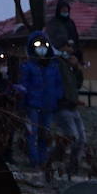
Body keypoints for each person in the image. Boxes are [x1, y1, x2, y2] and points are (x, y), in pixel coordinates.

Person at [19, 31, 62, 169]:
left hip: (48, 106)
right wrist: (23, 104)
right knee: (33, 135)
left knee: (45, 135)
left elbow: (58, 85)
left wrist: (57, 99)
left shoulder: (53, 66)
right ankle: (34, 162)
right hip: (33, 106)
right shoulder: (28, 66)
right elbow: (23, 85)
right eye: (38, 45)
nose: (41, 48)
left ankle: (43, 161)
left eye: (44, 45)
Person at [49, 41, 86, 177]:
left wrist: (76, 68)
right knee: (72, 137)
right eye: (68, 46)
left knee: (81, 139)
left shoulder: (68, 66)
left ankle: (72, 167)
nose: (71, 50)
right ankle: (54, 159)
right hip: (62, 106)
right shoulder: (57, 63)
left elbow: (77, 84)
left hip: (72, 106)